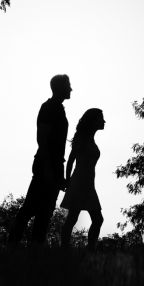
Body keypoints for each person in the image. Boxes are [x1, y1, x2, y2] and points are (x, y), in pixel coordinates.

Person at [8, 74, 72, 246]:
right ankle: (11, 246)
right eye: (68, 86)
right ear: (59, 88)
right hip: (46, 166)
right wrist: (48, 168)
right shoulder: (49, 107)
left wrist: (58, 173)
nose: (71, 89)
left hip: (55, 166)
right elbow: (41, 139)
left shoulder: (59, 108)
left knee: (46, 213)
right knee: (29, 209)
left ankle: (35, 250)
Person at [60, 108, 105, 252]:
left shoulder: (90, 138)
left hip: (88, 185)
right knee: (73, 219)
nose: (103, 121)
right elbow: (71, 160)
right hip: (79, 183)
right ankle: (65, 251)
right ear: (93, 120)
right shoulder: (82, 137)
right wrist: (68, 181)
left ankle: (89, 251)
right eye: (100, 118)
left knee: (97, 219)